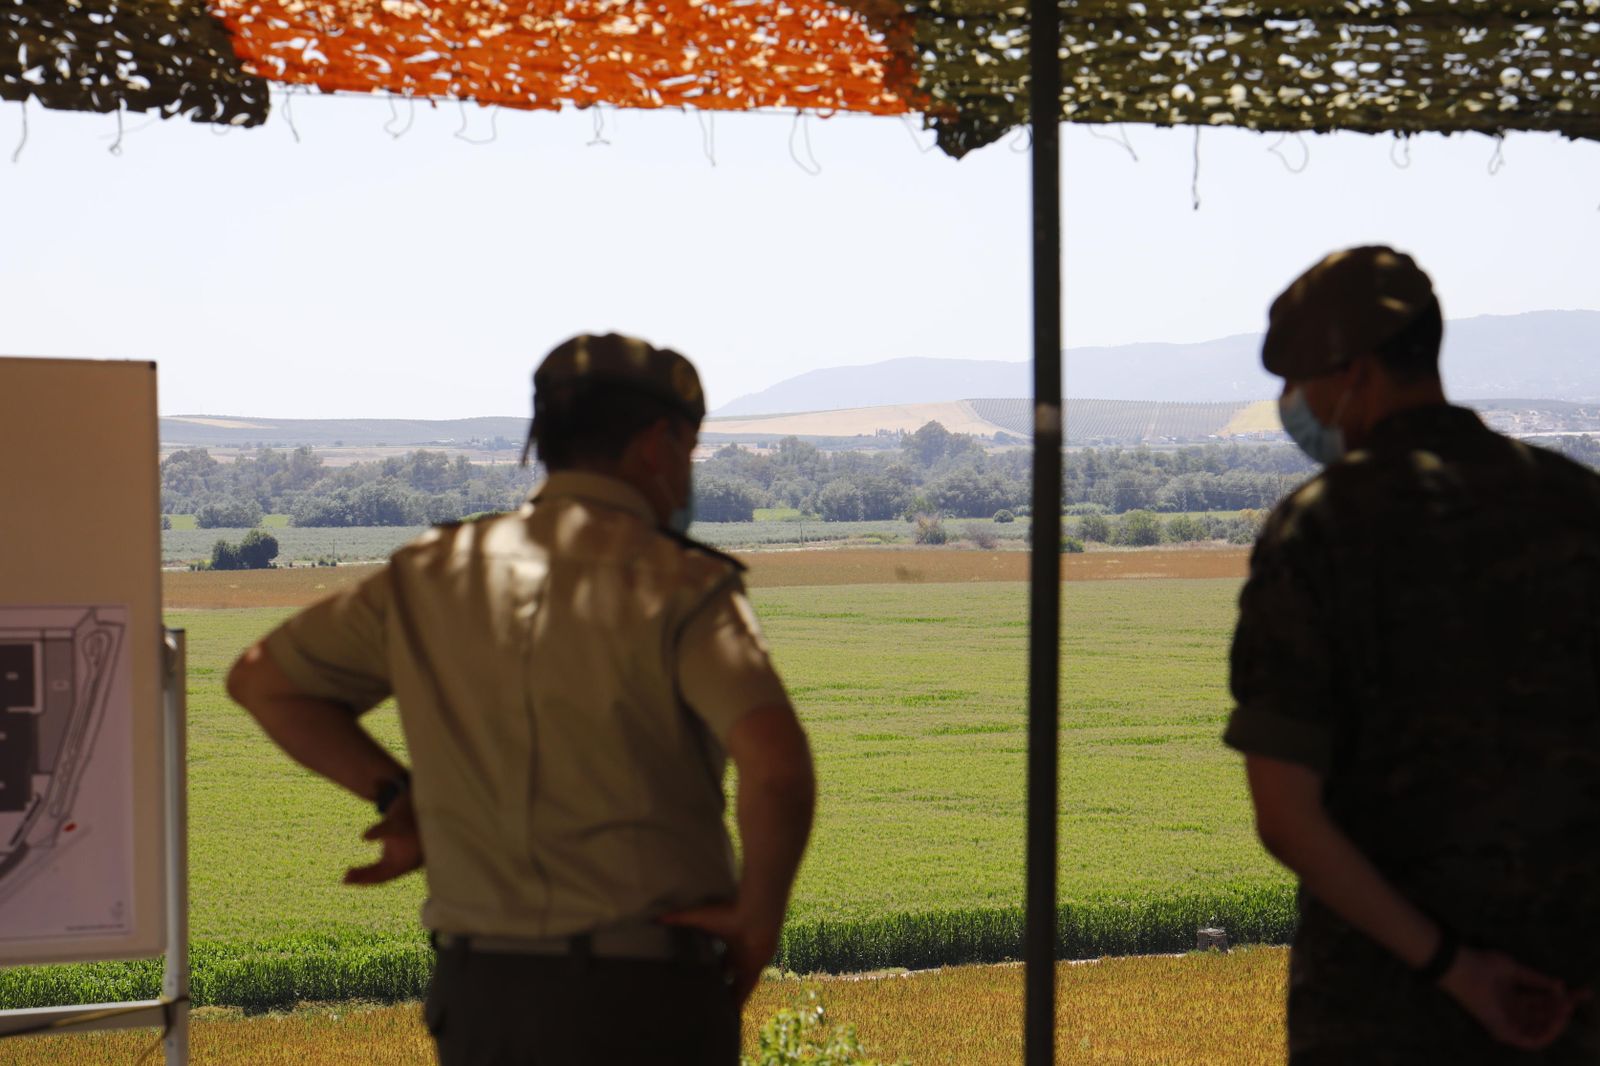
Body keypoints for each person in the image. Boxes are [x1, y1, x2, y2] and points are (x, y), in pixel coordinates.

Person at [227, 333, 815, 1065]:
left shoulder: (429, 573)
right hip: (648, 996)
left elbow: (263, 680)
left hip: (484, 998)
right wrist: (758, 919)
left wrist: (396, 794)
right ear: (659, 444)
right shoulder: (680, 585)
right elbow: (778, 768)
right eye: (691, 454)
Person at [1224, 246, 1600, 1063]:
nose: (1291, 403)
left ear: (1356, 374)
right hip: (1570, 1001)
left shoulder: (1320, 527)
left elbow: (1287, 816)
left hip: (1381, 1014)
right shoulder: (1579, 507)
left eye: (1298, 380)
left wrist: (1456, 971)